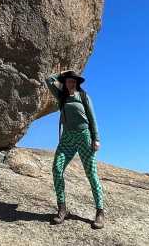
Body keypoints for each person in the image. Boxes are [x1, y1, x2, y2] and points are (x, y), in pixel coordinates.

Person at [45, 69, 105, 229]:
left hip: (84, 136)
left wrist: (96, 138)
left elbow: (92, 118)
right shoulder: (61, 96)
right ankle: (62, 209)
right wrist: (63, 74)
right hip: (67, 138)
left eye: (73, 81)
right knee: (57, 169)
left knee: (91, 174)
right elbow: (48, 80)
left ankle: (100, 211)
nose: (71, 83)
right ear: (65, 82)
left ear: (77, 83)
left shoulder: (84, 97)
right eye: (68, 80)